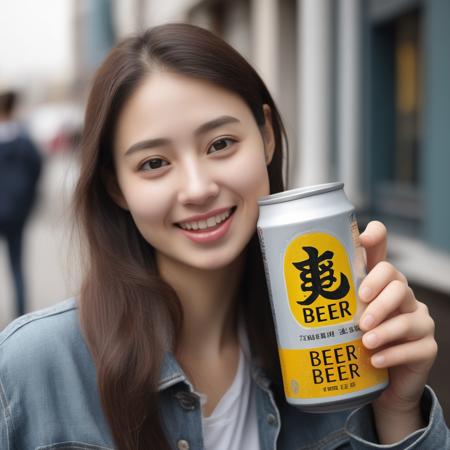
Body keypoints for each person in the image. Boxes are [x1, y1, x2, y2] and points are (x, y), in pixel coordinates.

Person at [0, 23, 448, 450]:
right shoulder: (30, 370)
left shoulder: (339, 347)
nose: (198, 189)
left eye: (220, 144)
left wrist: (398, 411)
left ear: (267, 136)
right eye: (154, 163)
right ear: (117, 186)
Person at [0, 90, 42, 318]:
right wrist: (28, 203)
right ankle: (21, 314)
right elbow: (37, 170)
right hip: (16, 213)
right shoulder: (24, 141)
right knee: (17, 266)